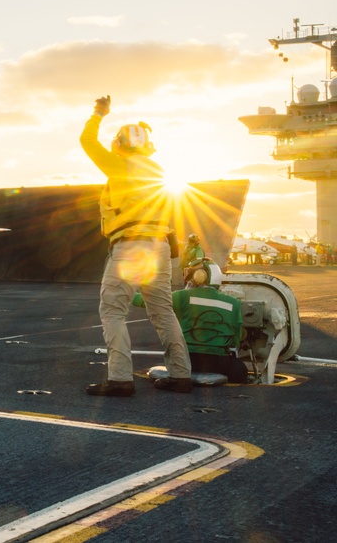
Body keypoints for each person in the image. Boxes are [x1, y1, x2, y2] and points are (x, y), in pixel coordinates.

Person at [80, 95, 192, 396]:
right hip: (159, 247)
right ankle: (181, 375)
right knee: (163, 311)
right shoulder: (159, 171)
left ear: (121, 144)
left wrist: (98, 113)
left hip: (131, 246)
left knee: (113, 310)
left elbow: (87, 141)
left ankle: (119, 379)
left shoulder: (119, 166)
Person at [133, 261, 248, 383]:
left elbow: (145, 301)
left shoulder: (183, 296)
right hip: (219, 361)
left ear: (199, 276)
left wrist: (125, 291)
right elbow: (237, 337)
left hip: (187, 359)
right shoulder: (233, 303)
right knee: (241, 371)